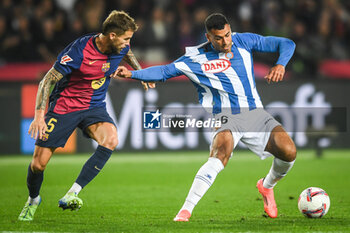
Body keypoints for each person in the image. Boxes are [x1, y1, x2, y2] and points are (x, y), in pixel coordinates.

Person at [115, 13, 296, 221]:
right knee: (221, 153)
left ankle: (266, 187)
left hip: (256, 114)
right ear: (208, 37)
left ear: (230, 29)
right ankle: (186, 210)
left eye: (227, 35)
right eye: (219, 38)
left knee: (289, 152)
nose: (225, 41)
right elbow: (165, 71)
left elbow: (287, 43)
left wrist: (281, 64)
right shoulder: (194, 59)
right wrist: (132, 74)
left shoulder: (242, 40)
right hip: (226, 117)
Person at [18, 10, 154, 221]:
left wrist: (139, 72)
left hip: (94, 106)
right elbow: (47, 80)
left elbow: (127, 53)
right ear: (112, 36)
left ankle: (72, 192)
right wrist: (38, 115)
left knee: (111, 139)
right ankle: (33, 199)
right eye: (126, 38)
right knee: (38, 164)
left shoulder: (121, 45)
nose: (128, 43)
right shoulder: (79, 51)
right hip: (65, 106)